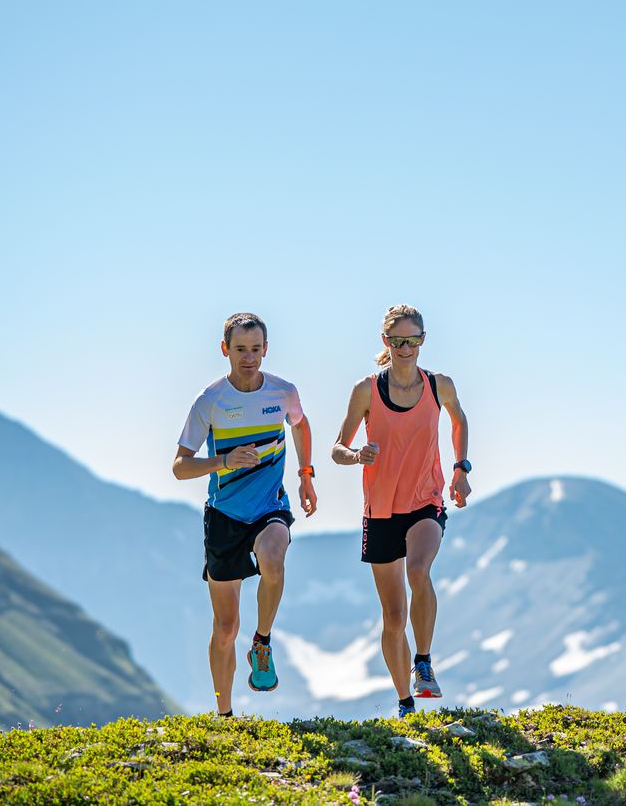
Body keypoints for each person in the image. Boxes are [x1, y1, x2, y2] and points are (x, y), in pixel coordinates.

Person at [173, 312, 317, 718]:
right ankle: (224, 716)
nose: (249, 357)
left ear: (265, 350)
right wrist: (222, 461)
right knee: (224, 628)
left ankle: (263, 642)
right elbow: (180, 466)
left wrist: (306, 475)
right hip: (224, 516)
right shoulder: (210, 401)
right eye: (240, 350)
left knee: (273, 556)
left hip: (271, 506)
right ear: (225, 350)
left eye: (255, 349)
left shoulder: (283, 392)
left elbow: (301, 426)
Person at [331, 304, 471, 718]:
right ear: (385, 342)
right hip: (380, 510)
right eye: (398, 341)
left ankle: (423, 662)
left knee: (419, 571)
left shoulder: (438, 385)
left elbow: (459, 421)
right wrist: (358, 455)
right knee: (393, 617)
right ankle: (406, 703)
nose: (405, 348)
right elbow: (337, 450)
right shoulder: (366, 391)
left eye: (412, 340)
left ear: (423, 341)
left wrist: (460, 469)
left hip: (425, 499)